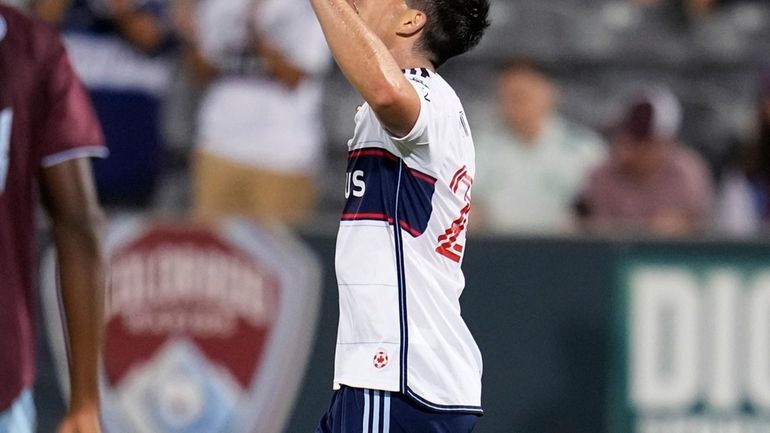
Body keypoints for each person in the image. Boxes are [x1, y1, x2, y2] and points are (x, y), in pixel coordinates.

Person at [309, 0, 489, 432]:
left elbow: (387, 91)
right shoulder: (429, 103)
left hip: (398, 376)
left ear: (411, 20)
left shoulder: (424, 92)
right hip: (395, 375)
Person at [0, 5, 107, 433]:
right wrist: (83, 402)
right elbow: (79, 224)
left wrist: (85, 402)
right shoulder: (32, 47)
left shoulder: (34, 51)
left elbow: (78, 225)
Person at [180, 0, 330, 227]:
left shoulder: (309, 7)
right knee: (216, 253)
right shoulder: (218, 5)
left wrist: (257, 32)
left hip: (283, 155)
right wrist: (190, 38)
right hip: (218, 145)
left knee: (275, 254)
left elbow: (295, 77)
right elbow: (202, 73)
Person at [473, 60, 607, 234]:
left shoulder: (584, 149)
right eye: (505, 97)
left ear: (550, 93)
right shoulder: (481, 149)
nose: (513, 104)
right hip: (499, 249)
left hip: (565, 250)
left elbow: (604, 208)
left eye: (521, 96)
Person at [579, 87, 714, 236]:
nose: (629, 146)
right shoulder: (602, 174)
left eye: (641, 140)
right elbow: (596, 233)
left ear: (665, 144)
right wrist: (649, 228)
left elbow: (697, 232)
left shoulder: (687, 173)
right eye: (627, 135)